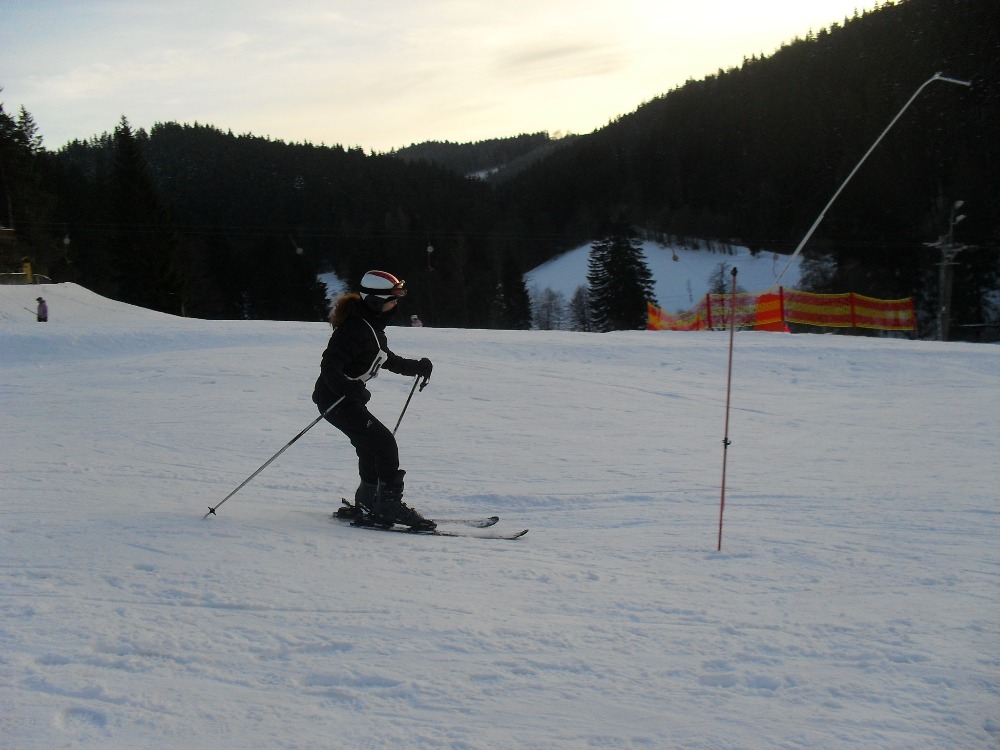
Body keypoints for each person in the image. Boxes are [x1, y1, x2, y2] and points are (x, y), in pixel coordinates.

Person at [313, 270, 435, 530]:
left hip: (346, 400)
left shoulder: (372, 329)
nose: (396, 304)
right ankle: (388, 506)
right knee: (384, 443)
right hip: (335, 400)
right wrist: (347, 387)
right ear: (376, 302)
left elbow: (386, 359)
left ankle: (368, 501)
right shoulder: (354, 329)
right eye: (392, 299)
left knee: (370, 445)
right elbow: (330, 365)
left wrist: (417, 367)